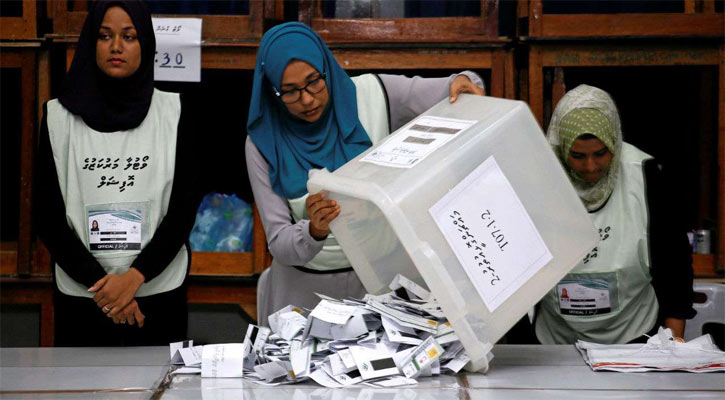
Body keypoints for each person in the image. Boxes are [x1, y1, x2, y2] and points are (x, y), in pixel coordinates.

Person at [246, 22, 485, 326]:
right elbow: (279, 240)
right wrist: (314, 230)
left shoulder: (375, 94)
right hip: (306, 294)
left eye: (314, 82)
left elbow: (456, 87)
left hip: (383, 284)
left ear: (326, 68)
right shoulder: (262, 142)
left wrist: (464, 81)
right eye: (290, 91)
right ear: (271, 90)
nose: (307, 99)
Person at [35, 0, 201, 346]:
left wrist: (133, 278)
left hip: (156, 291)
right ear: (89, 43)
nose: (115, 47)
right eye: (104, 36)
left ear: (146, 45)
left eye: (129, 37)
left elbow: (183, 211)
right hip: (84, 296)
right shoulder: (57, 118)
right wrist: (106, 291)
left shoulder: (174, 112)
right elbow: (47, 216)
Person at [533, 84, 695, 344]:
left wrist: (673, 339)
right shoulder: (537, 180)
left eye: (601, 153)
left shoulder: (645, 174)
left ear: (614, 142)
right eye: (577, 156)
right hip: (556, 340)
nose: (590, 167)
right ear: (561, 149)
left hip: (634, 334)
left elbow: (673, 262)